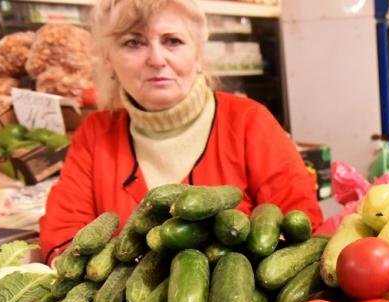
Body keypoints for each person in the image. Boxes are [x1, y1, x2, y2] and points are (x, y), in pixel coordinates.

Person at [39, 0, 322, 261]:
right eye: (133, 43)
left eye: (172, 41)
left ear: (198, 54)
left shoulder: (248, 121)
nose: (157, 59)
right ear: (109, 60)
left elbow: (301, 227)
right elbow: (63, 240)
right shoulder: (95, 134)